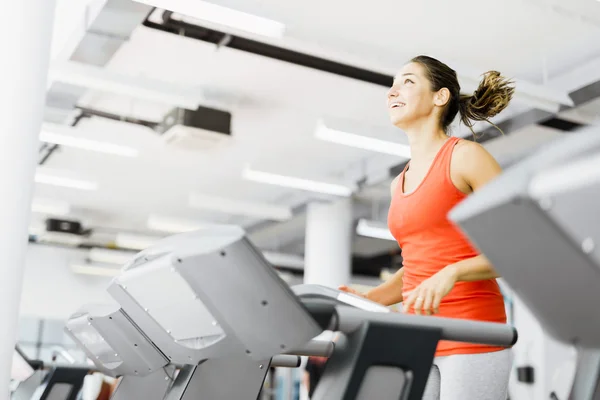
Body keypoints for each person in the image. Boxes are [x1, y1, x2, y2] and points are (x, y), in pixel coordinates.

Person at [339, 55, 515, 400]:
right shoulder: (398, 182)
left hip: (473, 332)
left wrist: (453, 272)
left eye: (407, 81)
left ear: (440, 96)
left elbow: (516, 249)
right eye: (392, 84)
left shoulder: (466, 157)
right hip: (417, 332)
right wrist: (371, 299)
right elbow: (420, 266)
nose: (393, 91)